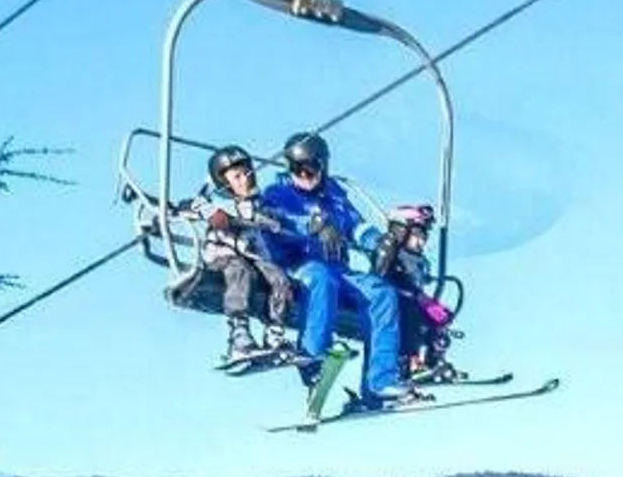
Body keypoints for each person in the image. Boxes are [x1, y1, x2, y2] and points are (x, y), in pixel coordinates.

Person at [258, 130, 406, 411]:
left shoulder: (335, 196)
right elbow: (274, 222)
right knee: (320, 278)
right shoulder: (277, 194)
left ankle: (379, 382)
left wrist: (379, 242)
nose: (304, 175)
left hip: (338, 268)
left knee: (382, 293)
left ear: (323, 165)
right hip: (297, 266)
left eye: (311, 168)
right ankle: (313, 355)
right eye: (297, 168)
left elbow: (356, 227)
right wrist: (312, 226)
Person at [149, 146, 296, 370]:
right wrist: (212, 214)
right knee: (240, 272)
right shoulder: (212, 201)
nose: (245, 180)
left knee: (279, 279)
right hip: (223, 257)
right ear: (222, 182)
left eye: (248, 174)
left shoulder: (258, 204)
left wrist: (271, 222)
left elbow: (276, 221)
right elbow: (189, 206)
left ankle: (274, 334)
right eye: (237, 177)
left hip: (254, 257)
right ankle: (240, 335)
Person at [373, 198, 461, 380]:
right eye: (417, 236)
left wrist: (430, 305)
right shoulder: (392, 252)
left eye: (424, 237)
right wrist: (419, 298)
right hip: (392, 304)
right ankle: (406, 362)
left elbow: (416, 286)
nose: (422, 242)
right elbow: (385, 276)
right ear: (401, 232)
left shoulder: (417, 260)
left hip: (410, 300)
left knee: (436, 321)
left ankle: (433, 361)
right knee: (409, 313)